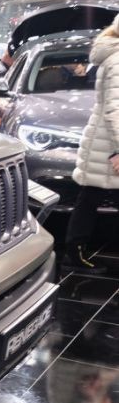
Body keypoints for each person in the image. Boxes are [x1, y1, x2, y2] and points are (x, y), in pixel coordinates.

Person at [61, 14, 119, 273]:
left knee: (89, 197)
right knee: (89, 197)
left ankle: (75, 251)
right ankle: (75, 253)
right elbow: (115, 109)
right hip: (109, 145)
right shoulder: (117, 60)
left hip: (105, 142)